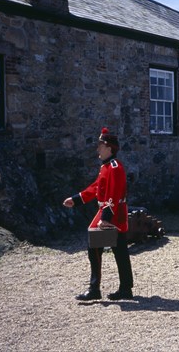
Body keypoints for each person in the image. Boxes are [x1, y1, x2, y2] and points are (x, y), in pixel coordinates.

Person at [63, 127, 134, 301]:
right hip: (109, 213)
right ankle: (125, 288)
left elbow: (114, 194)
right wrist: (76, 199)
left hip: (113, 215)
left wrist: (105, 218)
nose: (97, 149)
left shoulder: (115, 167)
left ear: (108, 147)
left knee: (99, 247)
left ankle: (96, 288)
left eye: (100, 145)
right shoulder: (107, 167)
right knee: (119, 251)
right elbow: (96, 188)